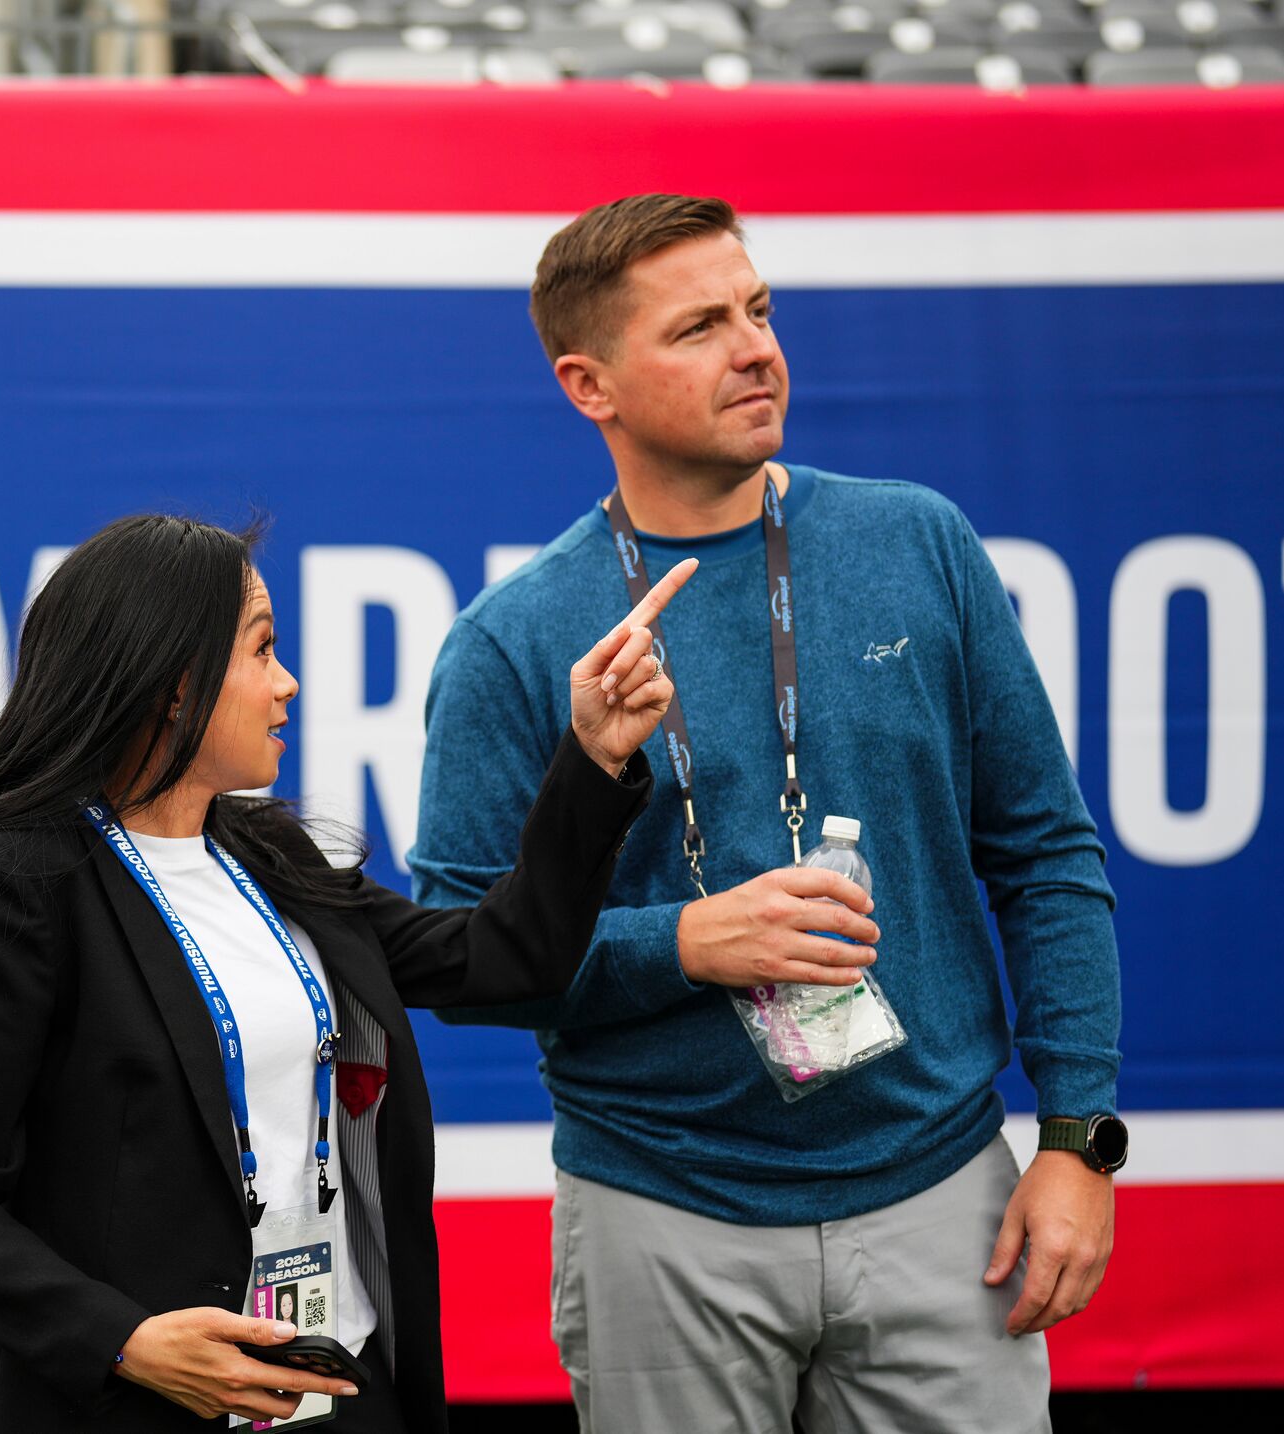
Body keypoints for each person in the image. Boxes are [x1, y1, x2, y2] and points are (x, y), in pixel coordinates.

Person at [412, 193, 1124, 1433]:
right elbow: (461, 955)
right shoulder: (516, 640)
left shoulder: (917, 543)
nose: (756, 349)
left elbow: (1048, 856)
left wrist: (1078, 1136)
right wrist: (688, 944)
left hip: (941, 1196)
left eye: (759, 310)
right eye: (699, 327)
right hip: (662, 1213)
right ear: (592, 385)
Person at [0, 513, 698, 1432]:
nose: (288, 684)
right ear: (174, 686)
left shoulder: (267, 853)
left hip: (338, 1388)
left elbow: (502, 957)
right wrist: (128, 1343)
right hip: (136, 1406)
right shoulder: (13, 887)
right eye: (263, 651)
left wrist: (593, 759)